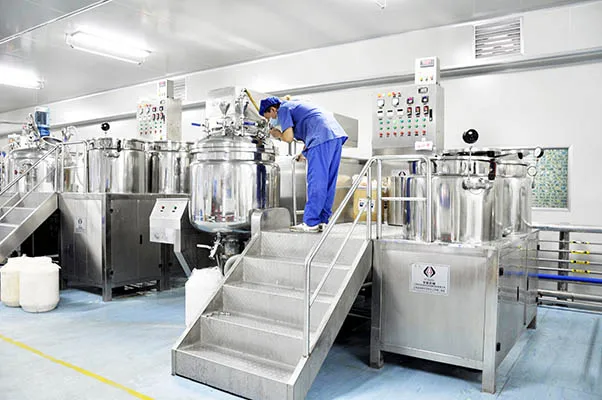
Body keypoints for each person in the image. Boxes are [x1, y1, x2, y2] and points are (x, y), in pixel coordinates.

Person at [259, 96, 348, 233]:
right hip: (335, 137)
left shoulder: (283, 109)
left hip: (321, 138)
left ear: (272, 110)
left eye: (269, 117)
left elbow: (288, 138)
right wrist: (304, 152)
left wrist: (278, 134)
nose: (271, 121)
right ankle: (323, 221)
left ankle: (311, 222)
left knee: (316, 181)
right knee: (329, 182)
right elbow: (313, 125)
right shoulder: (296, 104)